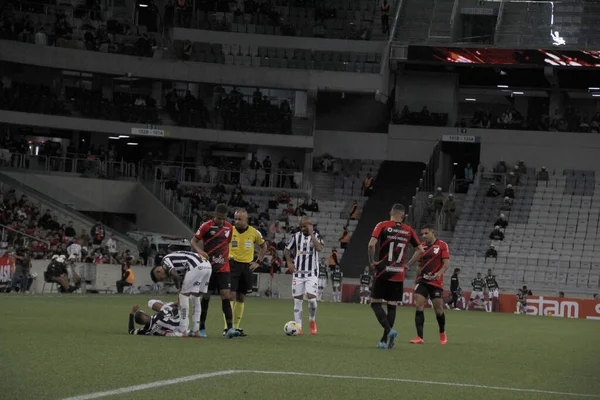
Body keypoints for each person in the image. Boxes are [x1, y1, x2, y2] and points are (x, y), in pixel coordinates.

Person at [368, 204, 423, 350]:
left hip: (383, 271)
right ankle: (383, 340)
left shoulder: (383, 225)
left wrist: (372, 261)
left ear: (390, 213)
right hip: (398, 273)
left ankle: (388, 331)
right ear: (403, 215)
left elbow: (371, 245)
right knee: (392, 306)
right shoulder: (408, 230)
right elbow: (420, 250)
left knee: (375, 303)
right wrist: (408, 265)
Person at [190, 204, 237, 338]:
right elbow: (193, 241)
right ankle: (202, 327)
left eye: (223, 218)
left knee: (225, 295)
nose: (221, 221)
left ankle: (230, 328)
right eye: (219, 218)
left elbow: (226, 244)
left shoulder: (229, 227)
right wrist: (200, 251)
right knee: (206, 297)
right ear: (214, 215)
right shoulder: (206, 226)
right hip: (208, 268)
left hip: (223, 267)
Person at [150, 250, 213, 336]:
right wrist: (179, 299)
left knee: (184, 296)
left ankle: (183, 330)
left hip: (196, 266)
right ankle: (196, 330)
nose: (164, 279)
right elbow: (183, 282)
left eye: (161, 278)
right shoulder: (178, 266)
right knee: (195, 297)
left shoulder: (164, 261)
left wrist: (179, 289)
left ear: (158, 271)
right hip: (207, 265)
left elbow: (175, 276)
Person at [225, 208, 267, 336]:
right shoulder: (229, 231)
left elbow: (263, 246)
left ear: (246, 220)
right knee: (230, 295)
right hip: (232, 265)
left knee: (241, 297)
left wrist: (257, 262)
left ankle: (236, 328)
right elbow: (221, 244)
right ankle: (227, 327)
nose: (237, 221)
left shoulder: (254, 232)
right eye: (235, 219)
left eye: (240, 219)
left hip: (247, 267)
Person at [410, 225, 450, 345]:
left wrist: (439, 273)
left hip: (436, 282)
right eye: (422, 234)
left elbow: (446, 264)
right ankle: (419, 337)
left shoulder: (442, 245)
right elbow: (419, 266)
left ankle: (442, 333)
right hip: (423, 281)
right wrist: (415, 281)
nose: (424, 236)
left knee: (439, 310)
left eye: (426, 233)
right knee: (418, 305)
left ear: (432, 232)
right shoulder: (421, 247)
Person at [284, 216, 324, 335]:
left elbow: (319, 248)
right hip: (298, 274)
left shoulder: (317, 236)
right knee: (297, 301)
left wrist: (311, 234)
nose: (303, 228)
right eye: (301, 226)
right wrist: (289, 262)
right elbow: (287, 250)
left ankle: (312, 320)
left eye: (305, 226)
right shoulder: (296, 237)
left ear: (310, 225)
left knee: (312, 300)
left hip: (311, 273)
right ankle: (299, 327)